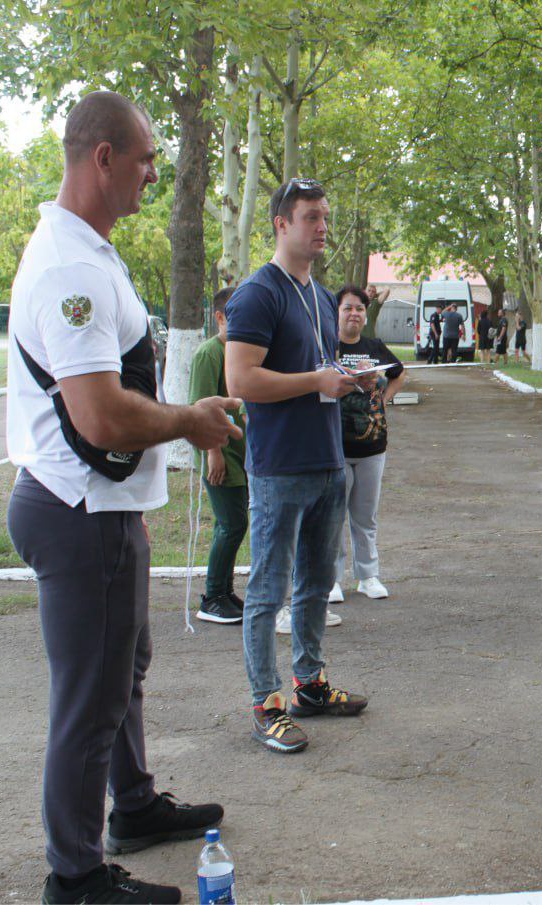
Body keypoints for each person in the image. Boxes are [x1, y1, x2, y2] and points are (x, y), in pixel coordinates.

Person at [6, 90, 238, 905]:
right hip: (78, 515)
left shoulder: (89, 250)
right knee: (91, 697)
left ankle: (132, 806)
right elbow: (99, 412)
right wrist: (190, 421)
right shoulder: (71, 266)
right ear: (102, 157)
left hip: (100, 509)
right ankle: (75, 875)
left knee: (120, 669)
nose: (151, 171)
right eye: (142, 157)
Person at [225, 177, 371, 755]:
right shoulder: (258, 294)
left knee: (317, 582)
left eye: (325, 216)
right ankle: (267, 703)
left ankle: (308, 684)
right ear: (281, 223)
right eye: (311, 216)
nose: (322, 227)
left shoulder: (318, 293)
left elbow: (319, 368)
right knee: (268, 589)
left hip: (328, 462)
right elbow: (241, 381)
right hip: (280, 467)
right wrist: (316, 379)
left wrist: (345, 377)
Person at [329, 284, 405, 604]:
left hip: (373, 446)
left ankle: (368, 576)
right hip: (335, 448)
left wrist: (385, 397)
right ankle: (331, 580)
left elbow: (399, 373)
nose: (354, 314)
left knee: (365, 516)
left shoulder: (374, 346)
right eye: (348, 308)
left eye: (359, 308)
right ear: (337, 313)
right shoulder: (326, 347)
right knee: (333, 517)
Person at [190, 286, 248, 625]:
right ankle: (212, 596)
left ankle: (225, 592)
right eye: (236, 318)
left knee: (236, 524)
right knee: (231, 523)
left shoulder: (240, 352)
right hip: (220, 454)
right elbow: (200, 409)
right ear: (220, 318)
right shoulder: (208, 354)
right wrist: (214, 453)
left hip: (241, 452)